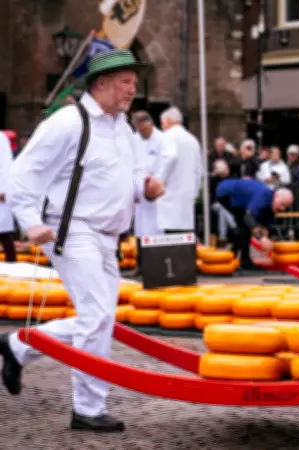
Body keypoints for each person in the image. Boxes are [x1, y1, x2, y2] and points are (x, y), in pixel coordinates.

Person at [1, 49, 164, 432]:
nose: (133, 89)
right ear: (101, 83)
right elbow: (23, 174)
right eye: (126, 82)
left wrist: (145, 188)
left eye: (134, 82)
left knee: (101, 318)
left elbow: (132, 177)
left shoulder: (124, 128)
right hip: (71, 229)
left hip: (107, 236)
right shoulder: (68, 122)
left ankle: (19, 346)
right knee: (96, 316)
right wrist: (30, 222)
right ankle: (88, 408)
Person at [214, 178, 294, 268]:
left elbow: (265, 227)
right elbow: (248, 217)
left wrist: (265, 236)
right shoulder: (263, 195)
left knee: (244, 227)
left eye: (286, 207)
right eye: (282, 204)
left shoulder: (271, 205)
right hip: (226, 192)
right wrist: (261, 238)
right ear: (276, 196)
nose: (282, 209)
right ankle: (243, 260)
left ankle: (234, 257)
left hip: (240, 197)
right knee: (245, 225)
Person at [157, 106, 203, 234]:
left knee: (169, 237)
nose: (162, 126)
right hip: (187, 198)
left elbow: (168, 158)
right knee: (185, 238)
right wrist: (194, 193)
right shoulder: (193, 140)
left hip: (168, 197)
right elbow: (198, 171)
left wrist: (158, 181)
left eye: (162, 122)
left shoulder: (167, 137)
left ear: (169, 120)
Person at [131, 110, 165, 238]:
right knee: (140, 234)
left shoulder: (163, 140)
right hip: (139, 198)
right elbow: (131, 167)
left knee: (158, 234)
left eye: (144, 129)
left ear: (150, 123)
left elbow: (165, 167)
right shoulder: (133, 140)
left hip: (157, 196)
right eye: (138, 130)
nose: (141, 132)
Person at [0, 131, 16, 262]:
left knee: (4, 232)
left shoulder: (1, 138)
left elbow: (6, 165)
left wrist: (3, 189)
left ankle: (12, 263)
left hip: (2, 191)